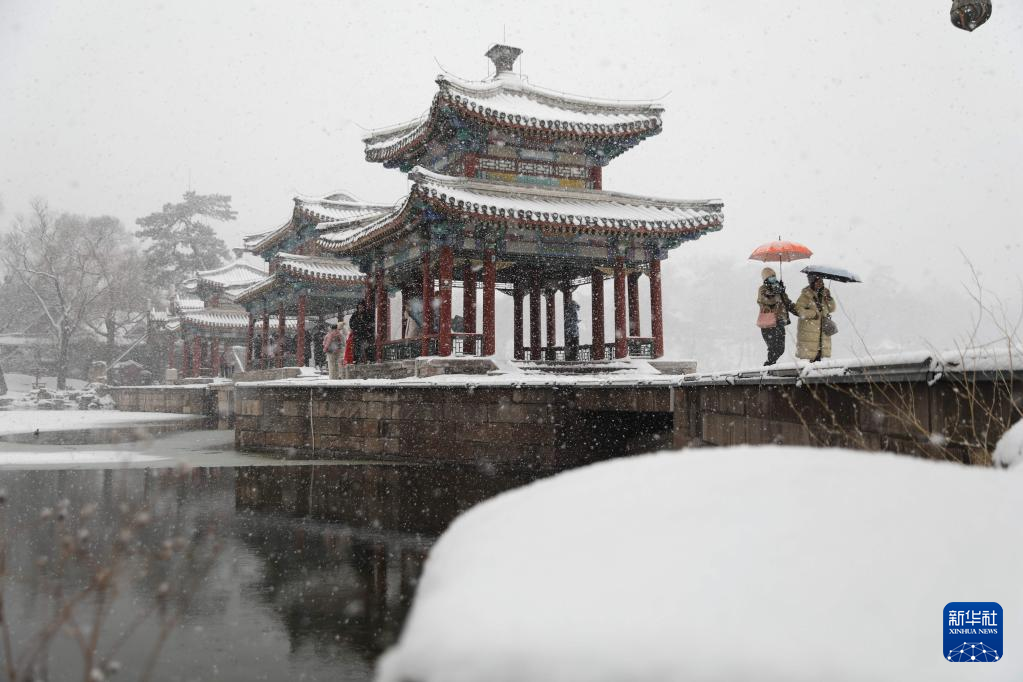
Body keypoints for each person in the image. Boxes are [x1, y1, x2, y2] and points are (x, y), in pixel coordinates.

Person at [756, 267, 795, 365]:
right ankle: (768, 366)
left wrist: (801, 312)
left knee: (781, 349)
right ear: (766, 278)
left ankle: (770, 365)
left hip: (779, 322)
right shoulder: (763, 289)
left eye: (774, 276)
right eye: (771, 276)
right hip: (768, 324)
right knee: (773, 348)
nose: (773, 278)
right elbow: (768, 300)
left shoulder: (780, 290)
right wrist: (775, 291)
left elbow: (788, 303)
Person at [795, 273, 837, 362]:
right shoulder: (805, 295)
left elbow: (832, 309)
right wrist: (813, 314)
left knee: (819, 356)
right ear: (812, 282)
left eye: (821, 281)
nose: (821, 283)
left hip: (822, 331)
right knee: (811, 356)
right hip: (810, 330)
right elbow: (799, 310)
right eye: (818, 281)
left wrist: (829, 298)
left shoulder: (824, 293)